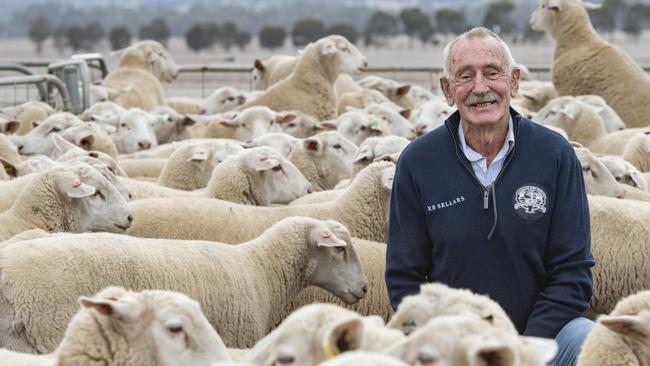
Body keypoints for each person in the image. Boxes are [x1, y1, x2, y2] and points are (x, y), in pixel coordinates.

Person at [385, 27, 595, 366]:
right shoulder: (418, 162)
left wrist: (523, 346)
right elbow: (404, 276)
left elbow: (573, 271)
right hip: (455, 345)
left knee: (592, 342)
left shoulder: (554, 154)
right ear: (447, 90)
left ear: (514, 81)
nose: (480, 88)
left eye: (492, 73)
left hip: (542, 338)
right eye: (465, 76)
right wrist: (452, 342)